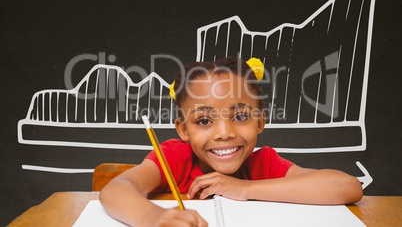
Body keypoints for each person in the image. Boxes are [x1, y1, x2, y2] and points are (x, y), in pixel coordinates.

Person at [100, 56, 363, 226]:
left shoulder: (264, 163)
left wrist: (242, 188)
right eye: (204, 121)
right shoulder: (174, 157)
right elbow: (115, 189)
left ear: (260, 121)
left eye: (240, 116)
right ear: (183, 130)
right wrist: (154, 218)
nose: (224, 132)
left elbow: (348, 187)